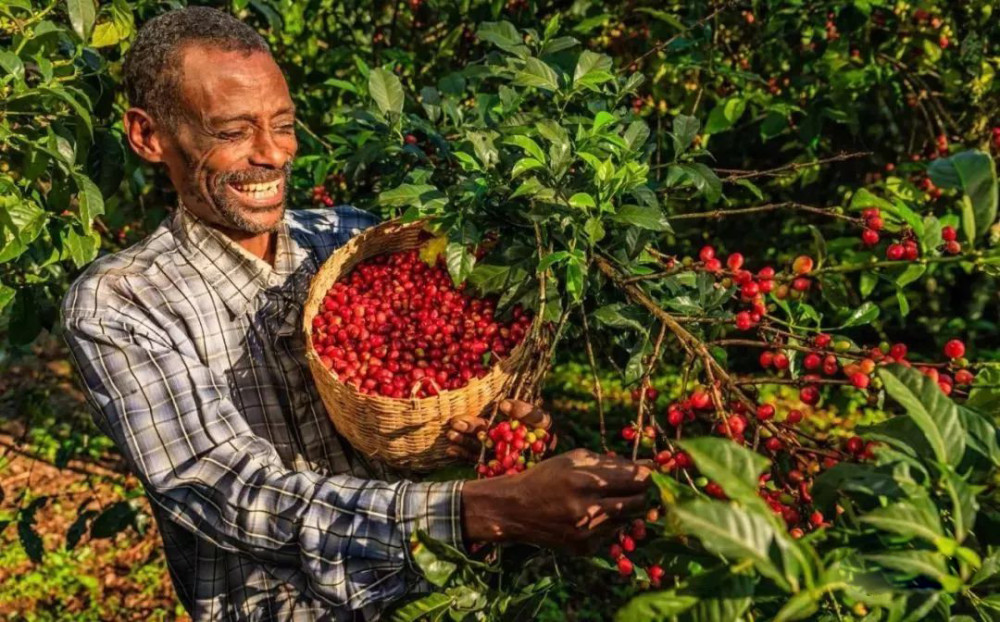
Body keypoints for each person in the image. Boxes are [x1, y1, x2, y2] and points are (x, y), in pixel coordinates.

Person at [61, 7, 650, 621]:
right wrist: (484, 508)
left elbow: (426, 415)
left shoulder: (350, 240)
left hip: (442, 599)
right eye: (232, 132)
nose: (272, 153)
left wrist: (491, 439)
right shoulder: (121, 301)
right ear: (148, 136)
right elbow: (231, 494)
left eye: (283, 125)